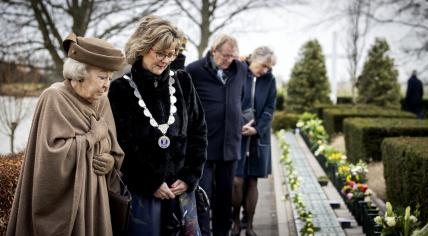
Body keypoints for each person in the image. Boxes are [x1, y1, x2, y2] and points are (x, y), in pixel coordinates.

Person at [7, 33, 125, 236]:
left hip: (95, 198)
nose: (107, 85)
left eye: (110, 78)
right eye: (102, 77)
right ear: (80, 73)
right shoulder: (54, 97)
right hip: (64, 203)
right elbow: (51, 157)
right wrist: (92, 137)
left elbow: (114, 148)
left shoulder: (102, 101)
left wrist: (110, 162)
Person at [108, 15, 207, 236]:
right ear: (142, 47)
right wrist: (150, 182)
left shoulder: (183, 82)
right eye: (160, 53)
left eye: (171, 54)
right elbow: (120, 144)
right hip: (142, 195)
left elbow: (198, 133)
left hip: (181, 191)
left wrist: (190, 176)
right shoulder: (119, 90)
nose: (165, 60)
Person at [186, 34, 247, 236]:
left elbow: (242, 99)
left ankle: (222, 233)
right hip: (203, 146)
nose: (228, 60)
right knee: (203, 196)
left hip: (230, 146)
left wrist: (241, 120)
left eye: (232, 56)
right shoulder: (194, 70)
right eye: (225, 55)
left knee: (224, 197)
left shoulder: (240, 69)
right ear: (214, 51)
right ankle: (203, 232)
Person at [231, 46, 277, 236]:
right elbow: (231, 100)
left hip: (259, 138)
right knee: (236, 181)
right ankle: (234, 223)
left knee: (252, 182)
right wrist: (237, 126)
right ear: (254, 59)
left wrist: (257, 129)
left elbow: (270, 108)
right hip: (237, 136)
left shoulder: (270, 79)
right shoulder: (239, 70)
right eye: (263, 65)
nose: (265, 70)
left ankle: (249, 225)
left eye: (268, 67)